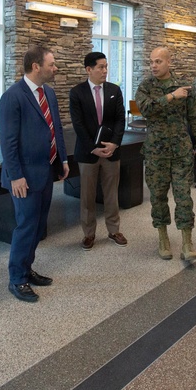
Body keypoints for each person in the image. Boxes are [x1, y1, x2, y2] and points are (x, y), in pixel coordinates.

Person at [0, 45, 68, 303]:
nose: (55, 68)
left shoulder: (48, 93)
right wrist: (16, 176)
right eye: (51, 64)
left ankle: (27, 269)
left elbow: (56, 128)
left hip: (46, 171)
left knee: (39, 226)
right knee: (26, 227)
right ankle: (16, 279)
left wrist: (62, 158)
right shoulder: (12, 97)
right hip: (24, 177)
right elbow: (8, 142)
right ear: (36, 66)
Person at [136, 47, 196, 262]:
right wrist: (170, 97)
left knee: (183, 198)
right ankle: (163, 238)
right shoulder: (146, 86)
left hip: (181, 151)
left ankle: (187, 242)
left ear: (169, 62)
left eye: (158, 61)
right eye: (151, 62)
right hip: (156, 152)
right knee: (158, 197)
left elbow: (195, 118)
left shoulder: (184, 88)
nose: (154, 66)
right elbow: (146, 109)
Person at [69, 51, 127, 251]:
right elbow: (78, 124)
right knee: (87, 196)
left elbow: (121, 119)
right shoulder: (77, 92)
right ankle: (88, 234)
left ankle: (114, 230)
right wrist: (93, 148)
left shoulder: (114, 90)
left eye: (106, 66)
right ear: (89, 69)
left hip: (111, 151)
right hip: (88, 154)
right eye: (101, 67)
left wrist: (114, 143)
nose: (105, 71)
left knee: (112, 193)